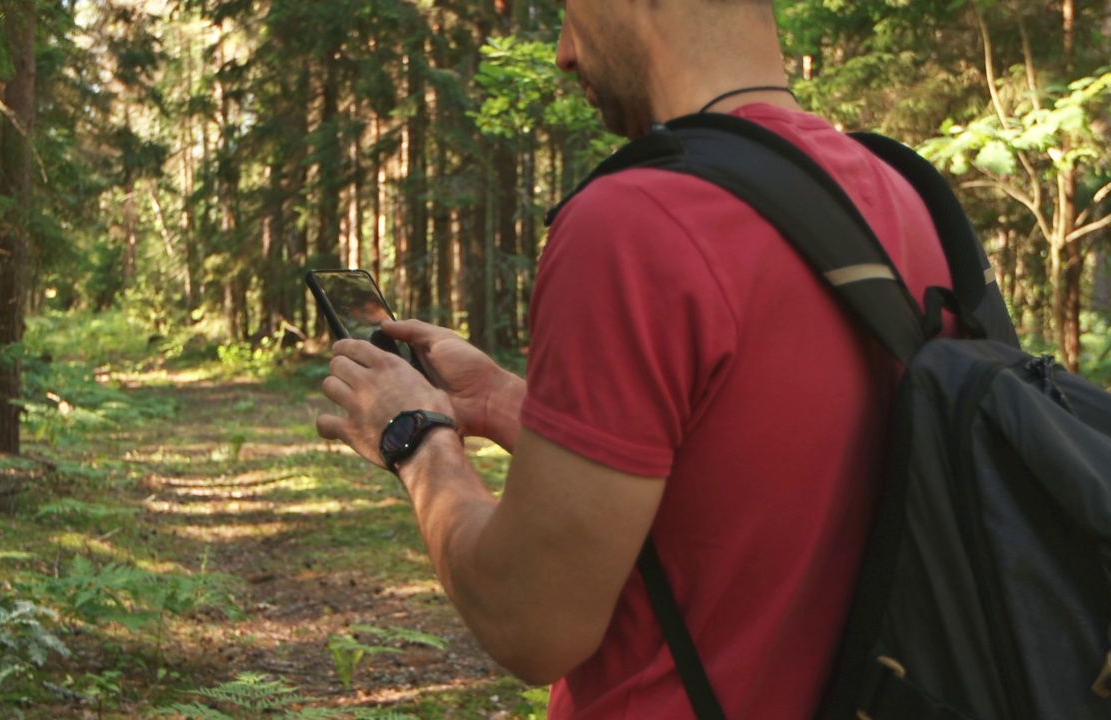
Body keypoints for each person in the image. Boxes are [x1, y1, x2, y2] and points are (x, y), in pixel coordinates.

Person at [316, 1, 953, 717]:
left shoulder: (634, 219)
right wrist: (502, 402)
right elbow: (756, 471)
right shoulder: (908, 200)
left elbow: (531, 624)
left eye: (569, 13)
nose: (562, 52)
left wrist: (416, 439)